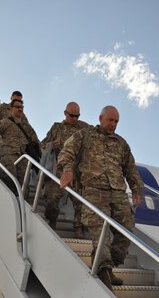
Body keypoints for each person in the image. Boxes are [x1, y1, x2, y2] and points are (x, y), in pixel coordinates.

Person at [57, 105, 143, 292]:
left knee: (126, 229)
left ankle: (109, 265)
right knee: (100, 230)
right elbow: (67, 152)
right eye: (110, 120)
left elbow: (130, 169)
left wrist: (136, 189)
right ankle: (103, 272)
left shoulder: (121, 143)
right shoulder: (85, 135)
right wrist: (68, 169)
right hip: (94, 190)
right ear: (101, 118)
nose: (113, 124)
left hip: (118, 192)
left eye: (116, 121)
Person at [41, 102, 89, 237]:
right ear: (65, 113)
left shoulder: (84, 128)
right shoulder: (57, 128)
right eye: (72, 115)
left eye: (77, 116)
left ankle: (78, 229)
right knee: (51, 198)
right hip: (58, 170)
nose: (75, 118)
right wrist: (51, 145)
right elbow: (42, 145)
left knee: (79, 201)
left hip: (77, 172)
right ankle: (52, 222)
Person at [0, 99, 41, 194]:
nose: (20, 109)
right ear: (11, 109)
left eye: (22, 107)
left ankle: (21, 206)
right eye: (17, 107)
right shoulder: (5, 122)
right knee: (9, 179)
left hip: (22, 157)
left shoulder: (25, 127)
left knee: (24, 187)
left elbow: (34, 139)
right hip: (8, 154)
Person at [0, 91, 30, 158]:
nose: (17, 101)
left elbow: (27, 129)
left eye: (19, 100)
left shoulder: (22, 115)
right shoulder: (2, 107)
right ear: (11, 98)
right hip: (3, 143)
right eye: (15, 99)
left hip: (19, 147)